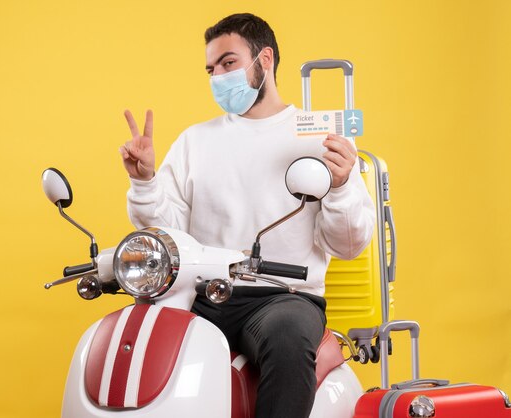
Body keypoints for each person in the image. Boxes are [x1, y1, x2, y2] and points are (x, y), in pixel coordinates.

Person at [119, 13, 375, 418]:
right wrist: (146, 182)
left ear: (265, 59)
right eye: (210, 69)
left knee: (289, 340)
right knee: (137, 336)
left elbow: (348, 244)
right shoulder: (194, 141)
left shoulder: (318, 137)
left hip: (283, 297)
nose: (218, 77)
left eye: (228, 63)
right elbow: (169, 235)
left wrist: (342, 184)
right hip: (202, 294)